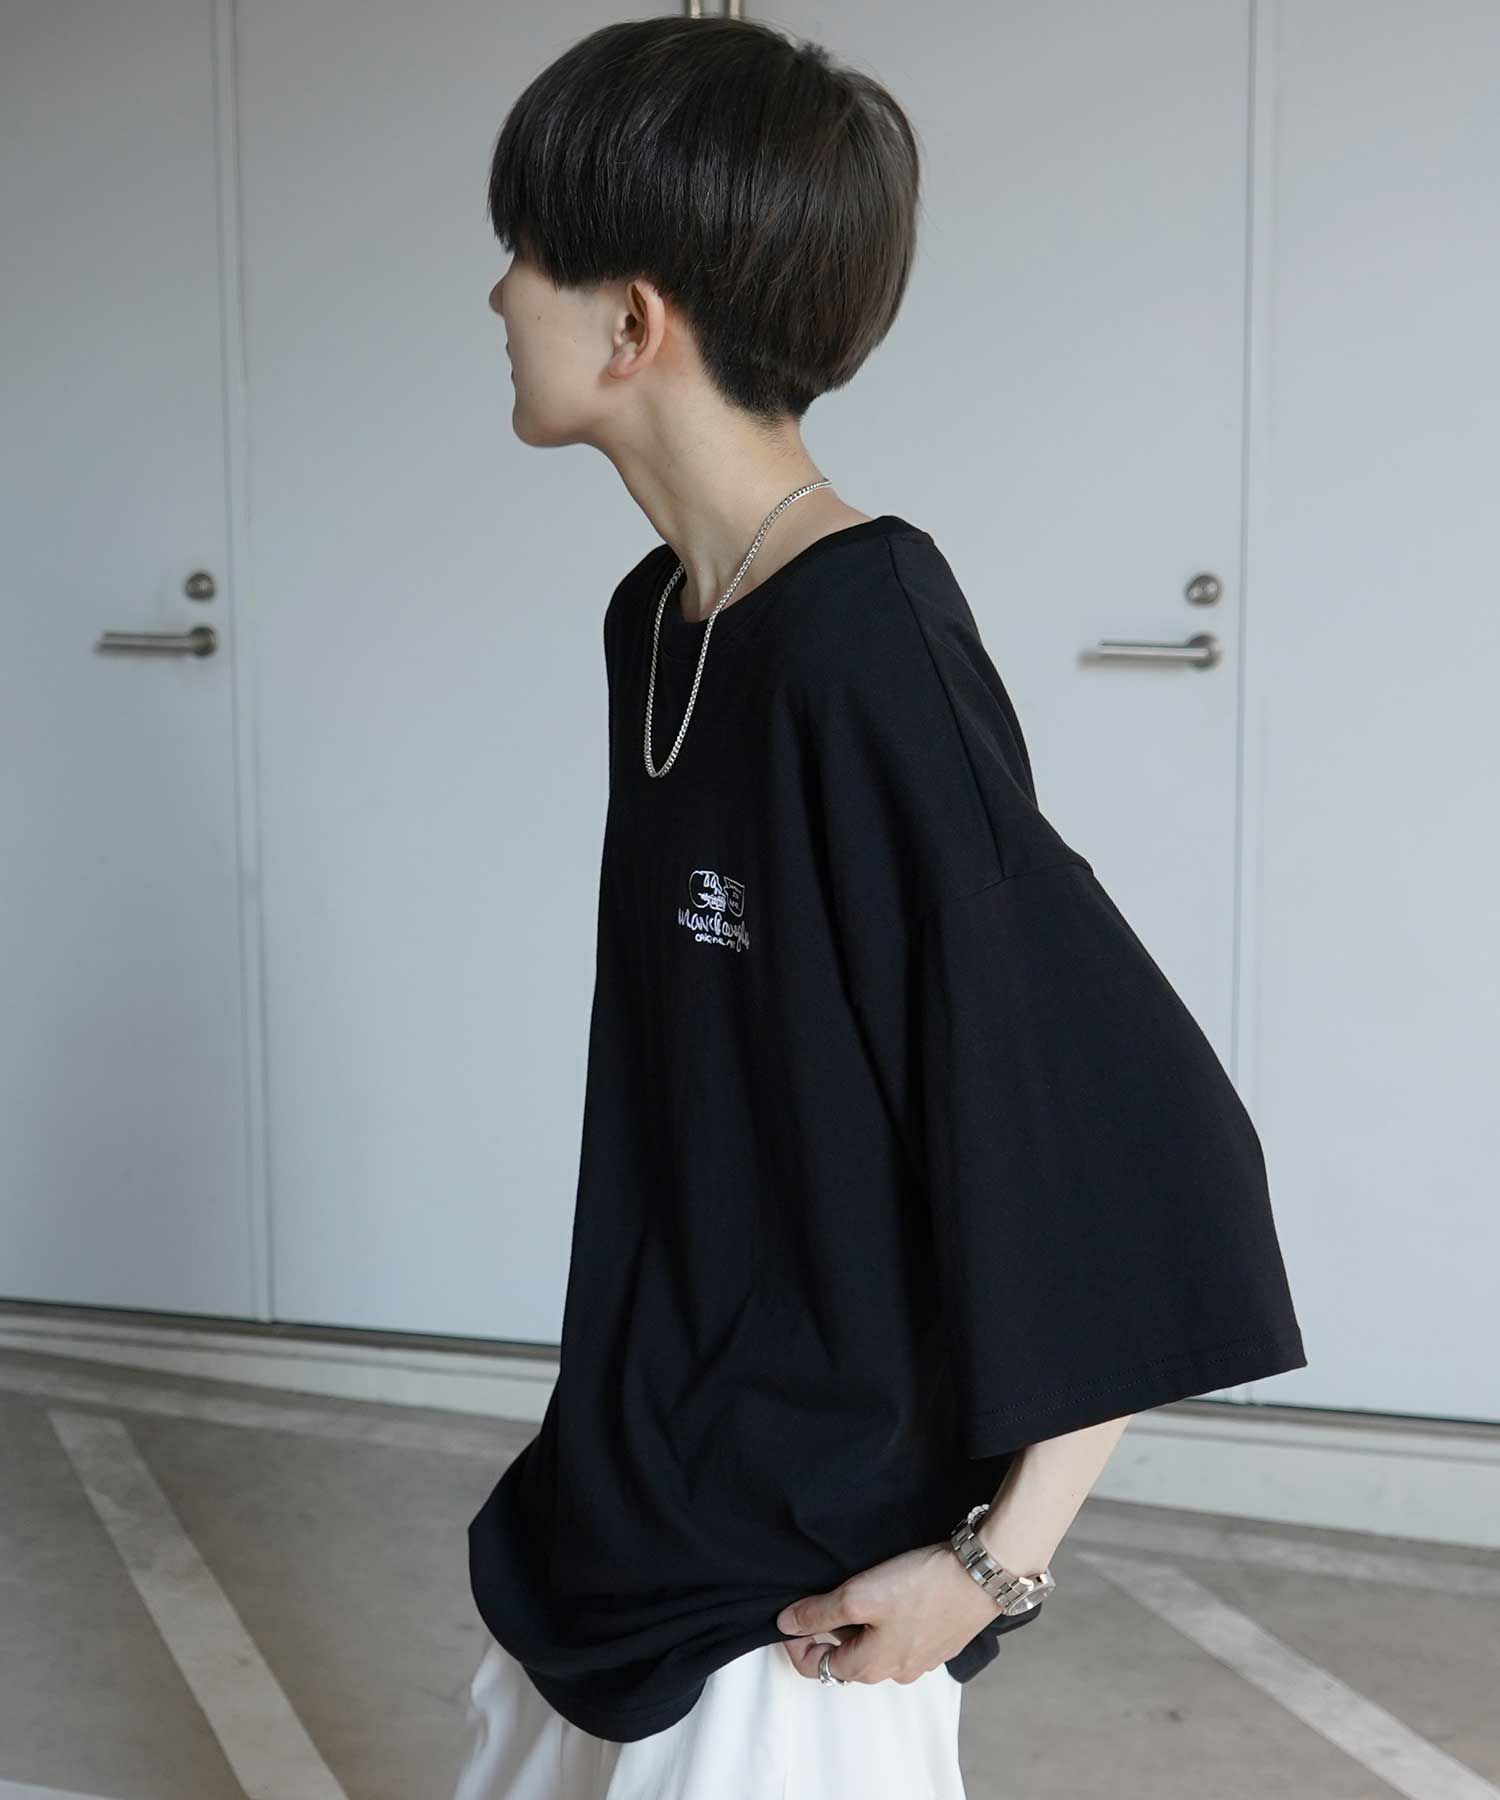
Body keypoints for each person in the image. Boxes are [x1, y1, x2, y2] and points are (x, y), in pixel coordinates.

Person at [456, 16, 1308, 1799]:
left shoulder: (867, 637)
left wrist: (994, 1563)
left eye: (526, 249)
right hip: (637, 1494)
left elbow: (1137, 1137)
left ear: (632, 321)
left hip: (800, 1603)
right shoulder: (658, 622)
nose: (495, 292)